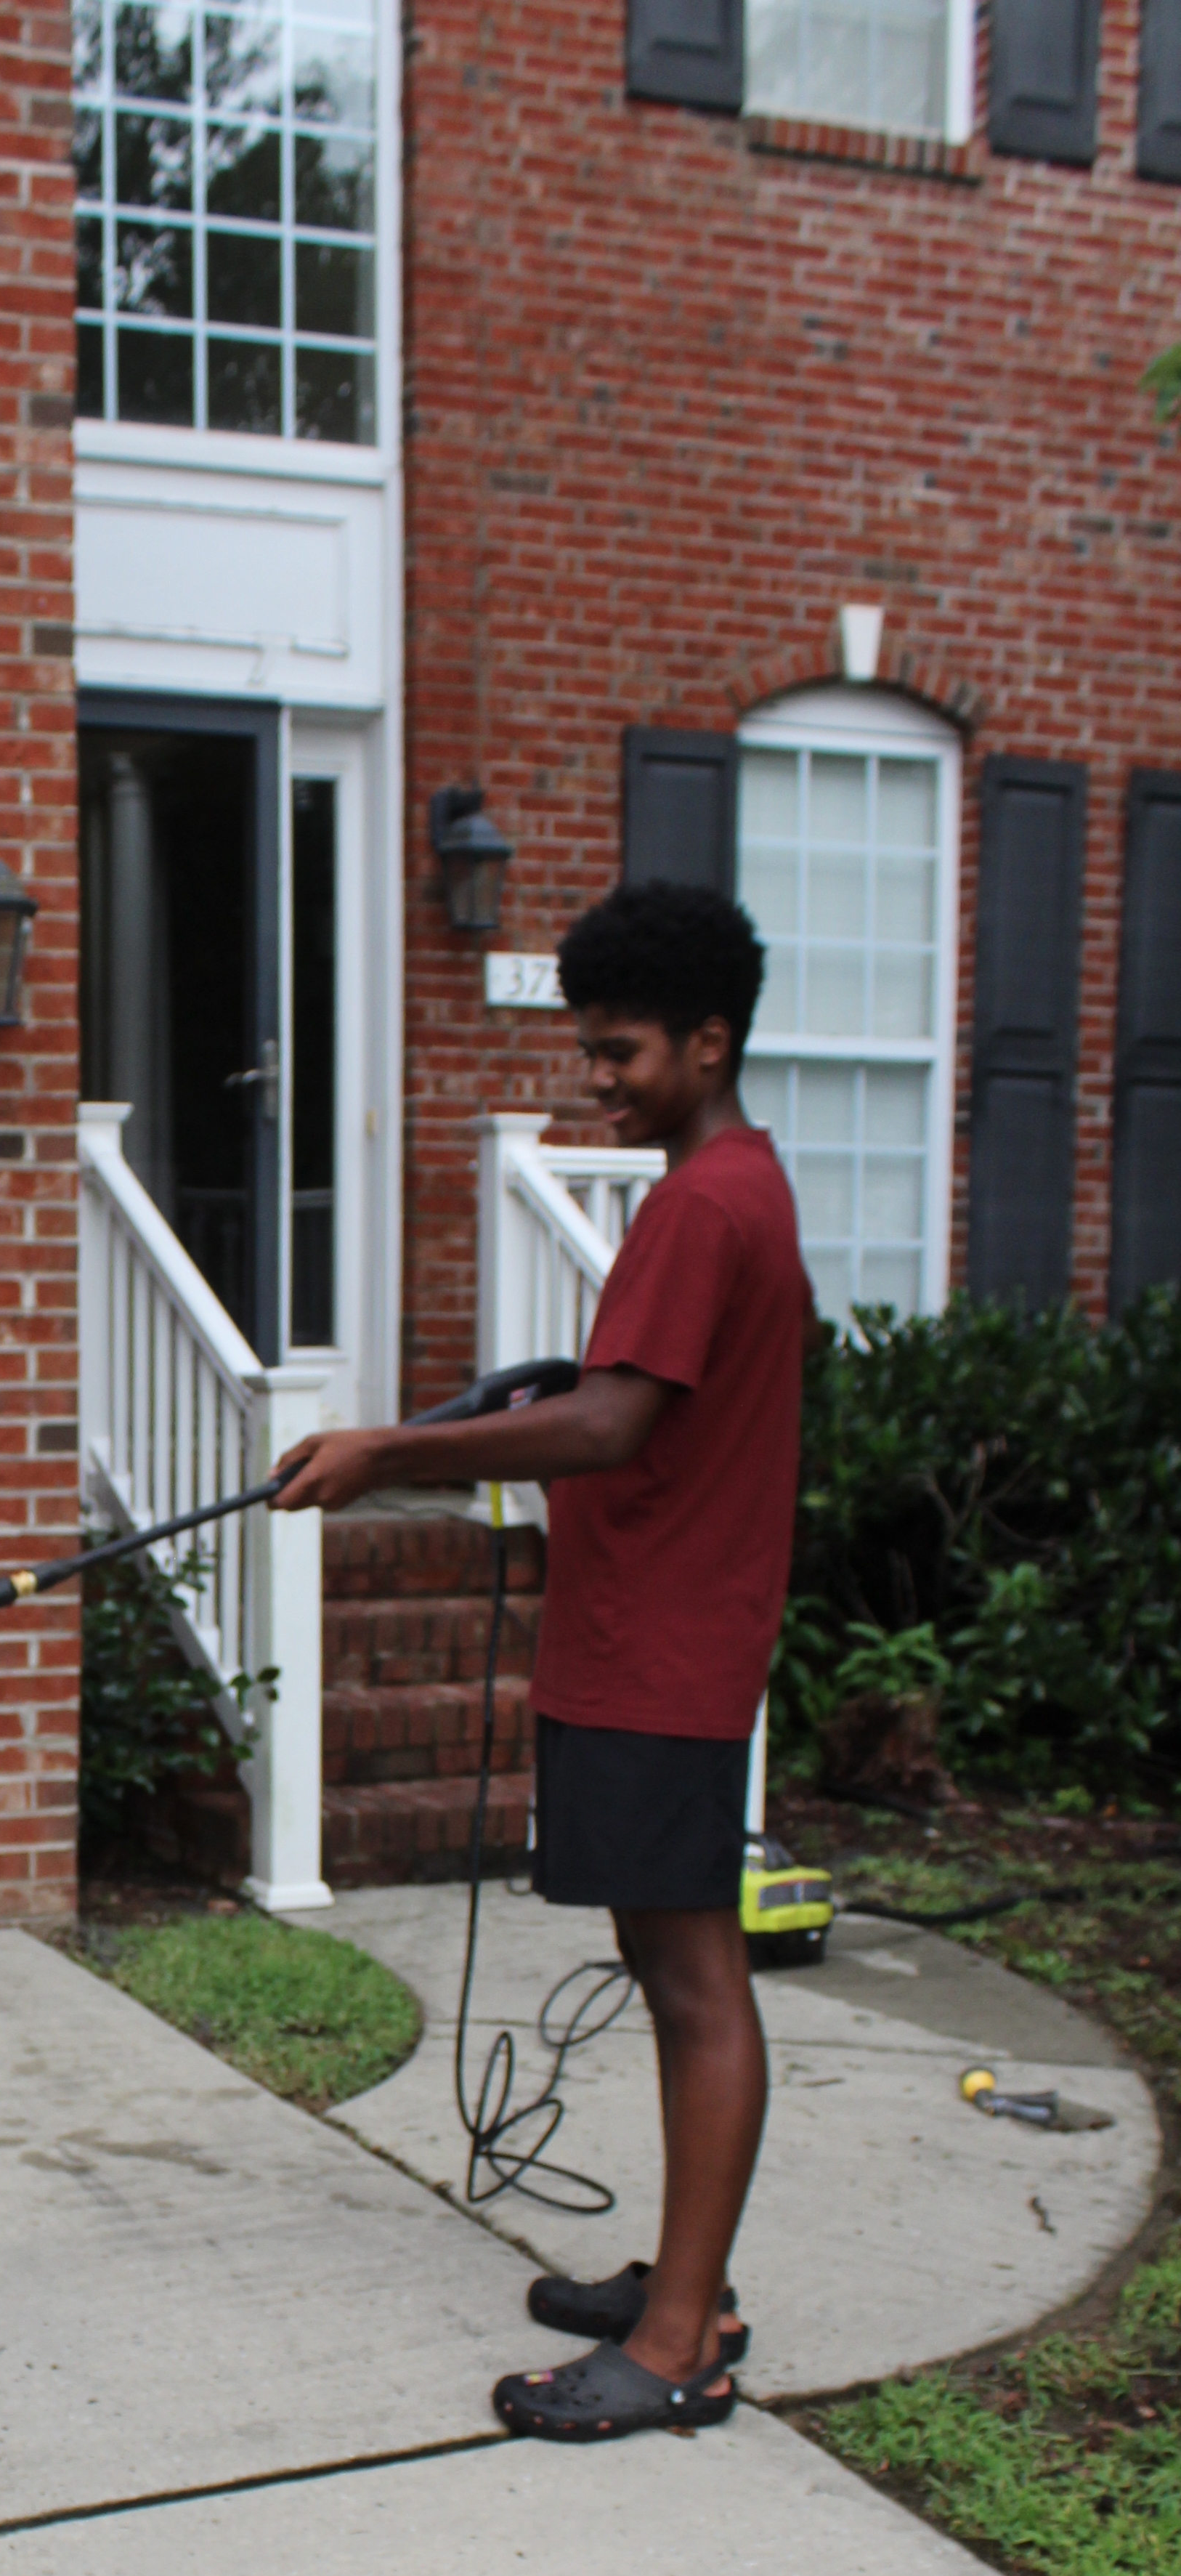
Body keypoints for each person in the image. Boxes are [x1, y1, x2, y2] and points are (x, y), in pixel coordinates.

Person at [272, 880, 813, 2439]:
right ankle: (685, 2284)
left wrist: (391, 1451)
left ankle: (674, 2345)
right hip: (655, 1634)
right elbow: (630, 1397)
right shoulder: (731, 1188)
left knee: (698, 1978)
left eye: (623, 1051)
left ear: (709, 1043)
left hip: (667, 1648)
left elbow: (610, 1421)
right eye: (590, 1049)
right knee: (664, 1963)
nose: (599, 1078)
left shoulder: (707, 1203)